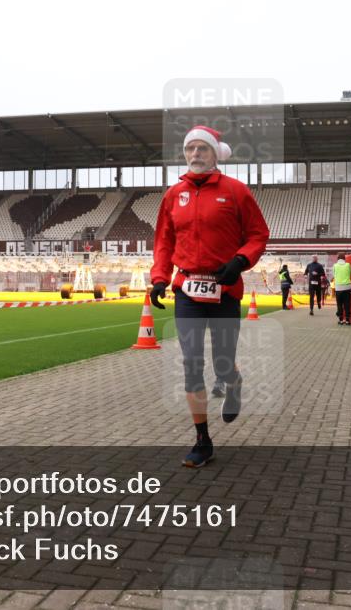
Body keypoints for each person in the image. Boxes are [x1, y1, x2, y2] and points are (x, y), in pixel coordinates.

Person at [150, 125, 270, 468]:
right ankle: (202, 440)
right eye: (191, 149)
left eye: (203, 149)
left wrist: (240, 261)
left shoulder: (236, 192)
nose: (195, 154)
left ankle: (233, 382)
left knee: (221, 361)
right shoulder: (174, 195)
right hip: (186, 289)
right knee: (191, 365)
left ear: (216, 154)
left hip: (225, 288)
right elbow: (164, 241)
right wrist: (160, 278)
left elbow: (258, 235)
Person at [333, 252, 351, 325]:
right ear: (344, 258)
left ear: (338, 258)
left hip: (338, 287)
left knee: (339, 304)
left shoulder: (335, 265)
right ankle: (347, 320)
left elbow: (334, 275)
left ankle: (341, 320)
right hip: (347, 286)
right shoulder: (348, 265)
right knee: (347, 303)